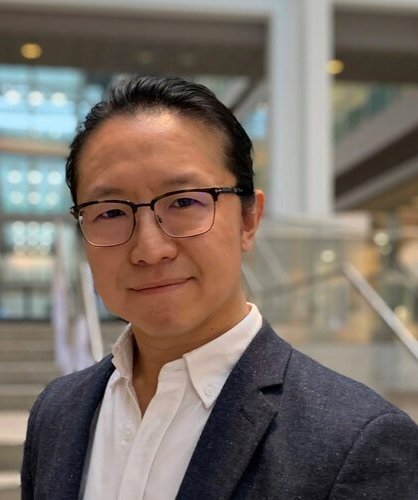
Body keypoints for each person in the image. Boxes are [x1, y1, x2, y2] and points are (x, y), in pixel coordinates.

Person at [21, 76, 418, 499]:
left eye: (185, 202)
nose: (149, 250)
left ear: (248, 219)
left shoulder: (357, 440)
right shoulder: (57, 412)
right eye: (111, 212)